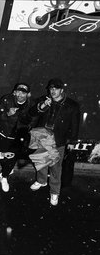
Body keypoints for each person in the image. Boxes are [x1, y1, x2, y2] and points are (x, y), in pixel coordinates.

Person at [28, 78, 81, 206]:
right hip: (42, 136)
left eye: (56, 89)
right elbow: (32, 113)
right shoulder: (44, 100)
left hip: (58, 140)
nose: (53, 91)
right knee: (41, 160)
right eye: (51, 88)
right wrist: (43, 106)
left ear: (62, 90)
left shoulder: (72, 105)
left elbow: (75, 126)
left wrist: (70, 140)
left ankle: (54, 192)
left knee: (55, 167)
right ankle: (41, 181)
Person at [0, 82, 33, 193]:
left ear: (28, 95)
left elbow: (32, 119)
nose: (20, 95)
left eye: (23, 93)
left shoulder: (30, 105)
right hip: (4, 134)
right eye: (18, 92)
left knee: (12, 157)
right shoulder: (6, 99)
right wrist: (7, 114)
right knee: (3, 156)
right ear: (14, 92)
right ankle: (7, 169)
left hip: (18, 137)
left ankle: (4, 177)